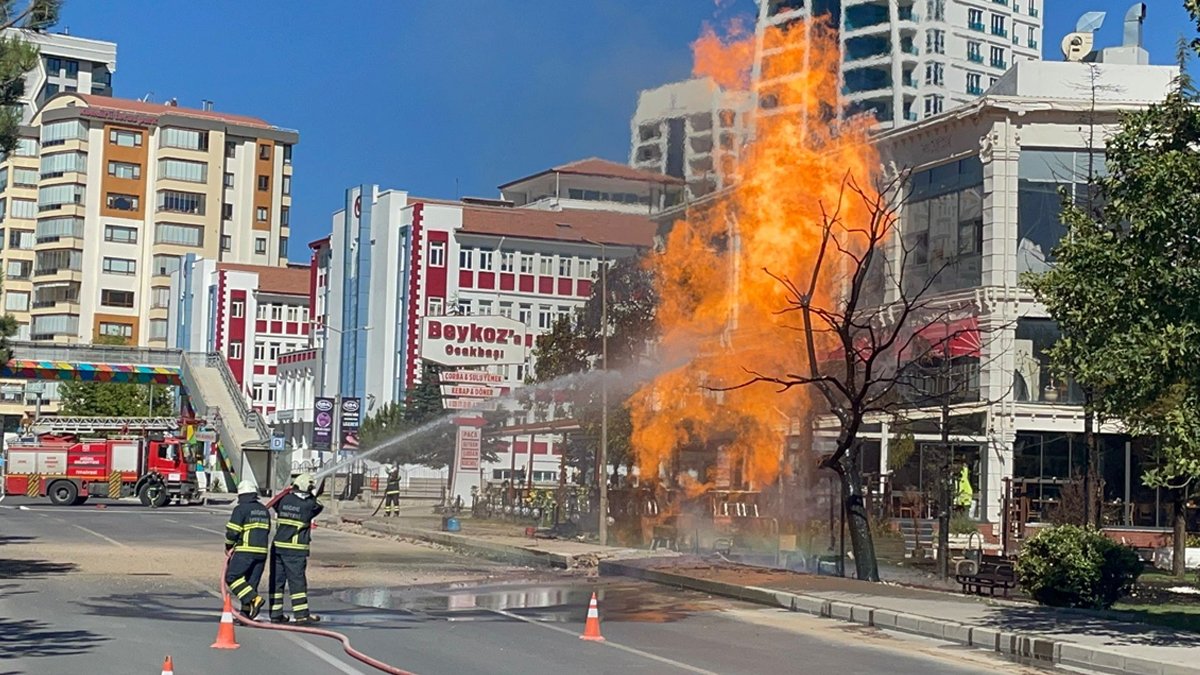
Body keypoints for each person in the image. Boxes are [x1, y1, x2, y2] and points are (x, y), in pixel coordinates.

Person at [268, 473, 324, 624]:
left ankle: (275, 614)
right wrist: (312, 494)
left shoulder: (284, 500)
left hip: (277, 547)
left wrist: (287, 492)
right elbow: (319, 506)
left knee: (276, 581)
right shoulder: (308, 505)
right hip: (295, 550)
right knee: (297, 582)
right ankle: (301, 615)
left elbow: (274, 503)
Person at [224, 479, 269, 620]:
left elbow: (233, 532)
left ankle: (254, 598)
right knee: (250, 582)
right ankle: (246, 614)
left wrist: (228, 546)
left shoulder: (241, 509)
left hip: (245, 550)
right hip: (262, 552)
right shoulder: (264, 510)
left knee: (232, 577)